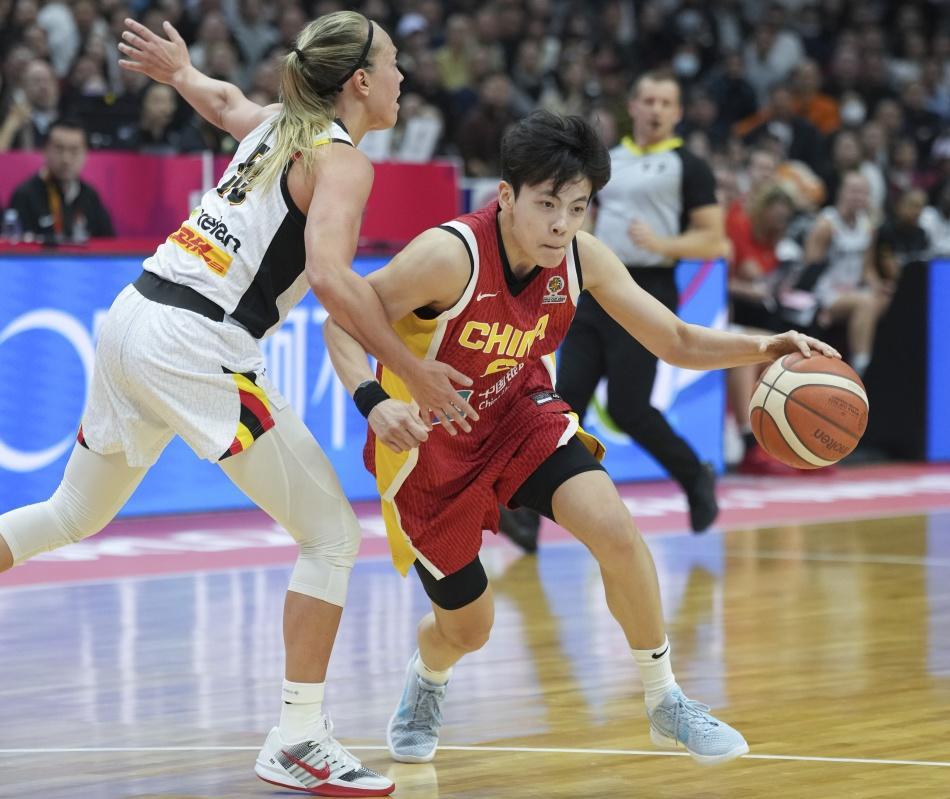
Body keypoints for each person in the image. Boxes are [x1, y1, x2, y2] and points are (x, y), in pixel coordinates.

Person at [0, 10, 481, 798]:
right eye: (394, 62)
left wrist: (182, 74)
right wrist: (408, 368)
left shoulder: (279, 126)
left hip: (132, 316)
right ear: (361, 81)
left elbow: (224, 102)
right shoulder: (341, 159)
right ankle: (298, 737)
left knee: (70, 513)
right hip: (196, 343)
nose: (404, 76)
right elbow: (329, 276)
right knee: (331, 535)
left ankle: (298, 736)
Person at [322, 110, 840, 769]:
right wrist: (373, 401)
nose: (562, 224)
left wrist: (767, 346)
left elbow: (675, 339)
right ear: (506, 196)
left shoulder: (581, 257)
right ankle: (429, 673)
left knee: (615, 528)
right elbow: (342, 320)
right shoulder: (448, 256)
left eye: (577, 207)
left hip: (520, 414)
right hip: (429, 445)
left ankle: (665, 699)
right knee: (469, 628)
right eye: (547, 205)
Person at [556, 69, 729, 539]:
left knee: (629, 408)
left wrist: (662, 244)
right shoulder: (608, 160)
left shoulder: (688, 166)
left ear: (677, 112)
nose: (656, 110)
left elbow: (713, 240)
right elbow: (586, 216)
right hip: (595, 287)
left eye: (665, 103)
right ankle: (526, 515)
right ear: (632, 107)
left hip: (648, 289)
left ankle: (695, 475)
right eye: (648, 101)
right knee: (564, 406)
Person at [7, 117, 115, 242]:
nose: (66, 159)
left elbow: (109, 244)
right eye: (59, 149)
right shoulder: (25, 195)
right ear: (45, 150)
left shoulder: (91, 196)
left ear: (86, 154)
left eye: (74, 150)